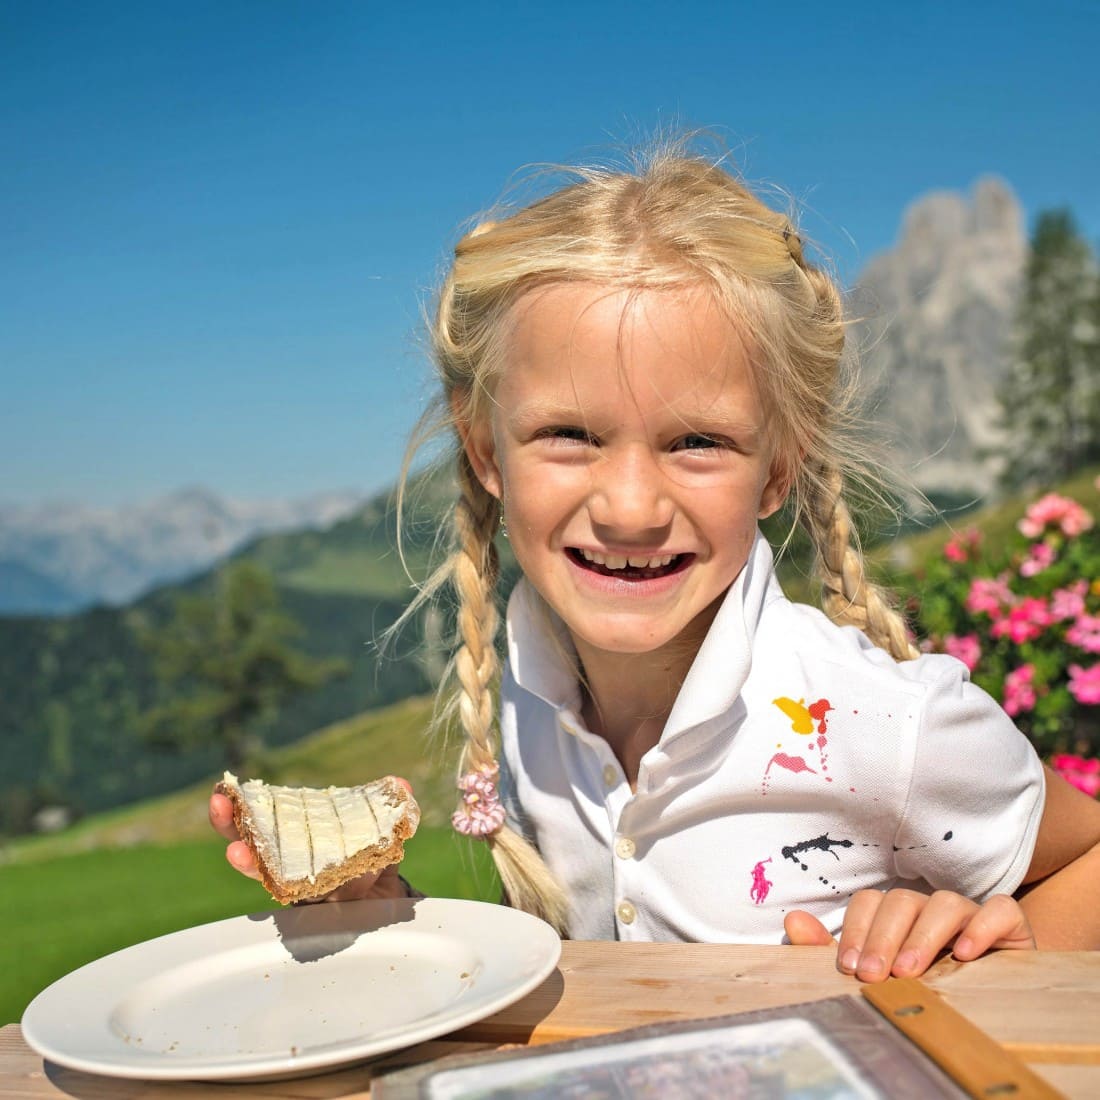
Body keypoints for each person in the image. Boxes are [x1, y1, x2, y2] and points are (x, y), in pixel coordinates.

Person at [210, 141, 1100, 982]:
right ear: (482, 447)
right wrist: (382, 915)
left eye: (697, 442)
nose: (631, 508)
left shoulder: (885, 723)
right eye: (569, 434)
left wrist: (994, 962)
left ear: (778, 468)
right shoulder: (530, 697)